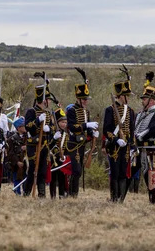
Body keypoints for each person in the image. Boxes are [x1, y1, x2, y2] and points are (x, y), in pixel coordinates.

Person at [103, 66, 135, 203]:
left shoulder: (130, 111)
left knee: (123, 173)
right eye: (127, 95)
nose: (128, 98)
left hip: (126, 146)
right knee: (115, 173)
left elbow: (132, 129)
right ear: (121, 96)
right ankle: (114, 198)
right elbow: (106, 130)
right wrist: (116, 140)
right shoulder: (110, 110)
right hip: (115, 146)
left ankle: (121, 199)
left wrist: (132, 145)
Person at [66, 68, 99, 197]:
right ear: (78, 98)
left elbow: (87, 127)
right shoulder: (72, 111)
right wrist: (86, 125)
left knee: (78, 171)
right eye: (83, 99)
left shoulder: (86, 111)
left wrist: (91, 133)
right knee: (76, 170)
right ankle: (71, 194)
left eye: (87, 99)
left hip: (82, 143)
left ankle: (74, 194)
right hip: (73, 143)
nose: (86, 101)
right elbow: (72, 127)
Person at [133, 71, 155, 205]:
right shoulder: (140, 114)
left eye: (144, 99)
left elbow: (152, 129)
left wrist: (140, 135)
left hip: (150, 148)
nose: (142, 101)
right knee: (132, 172)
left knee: (150, 175)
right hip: (139, 147)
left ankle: (153, 201)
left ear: (151, 101)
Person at [24, 81, 56, 198]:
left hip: (45, 145)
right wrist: (38, 121)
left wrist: (49, 129)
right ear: (44, 100)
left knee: (42, 171)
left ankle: (42, 194)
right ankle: (27, 193)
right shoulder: (31, 111)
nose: (49, 102)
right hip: (34, 146)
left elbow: (52, 126)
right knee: (33, 170)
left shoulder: (47, 113)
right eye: (48, 99)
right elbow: (28, 127)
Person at [50, 108, 68, 199]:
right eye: (62, 122)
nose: (64, 124)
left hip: (62, 158)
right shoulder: (52, 132)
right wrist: (54, 138)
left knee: (62, 177)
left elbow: (67, 146)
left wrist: (65, 156)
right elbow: (48, 146)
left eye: (65, 122)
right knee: (53, 178)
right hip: (53, 158)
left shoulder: (66, 134)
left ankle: (61, 195)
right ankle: (52, 196)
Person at [6, 116, 27, 195]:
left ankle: (26, 192)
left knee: (26, 178)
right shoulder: (11, 139)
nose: (25, 127)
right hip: (16, 162)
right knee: (17, 178)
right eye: (23, 126)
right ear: (18, 127)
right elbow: (10, 153)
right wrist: (17, 162)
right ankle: (17, 193)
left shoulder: (28, 138)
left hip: (26, 162)